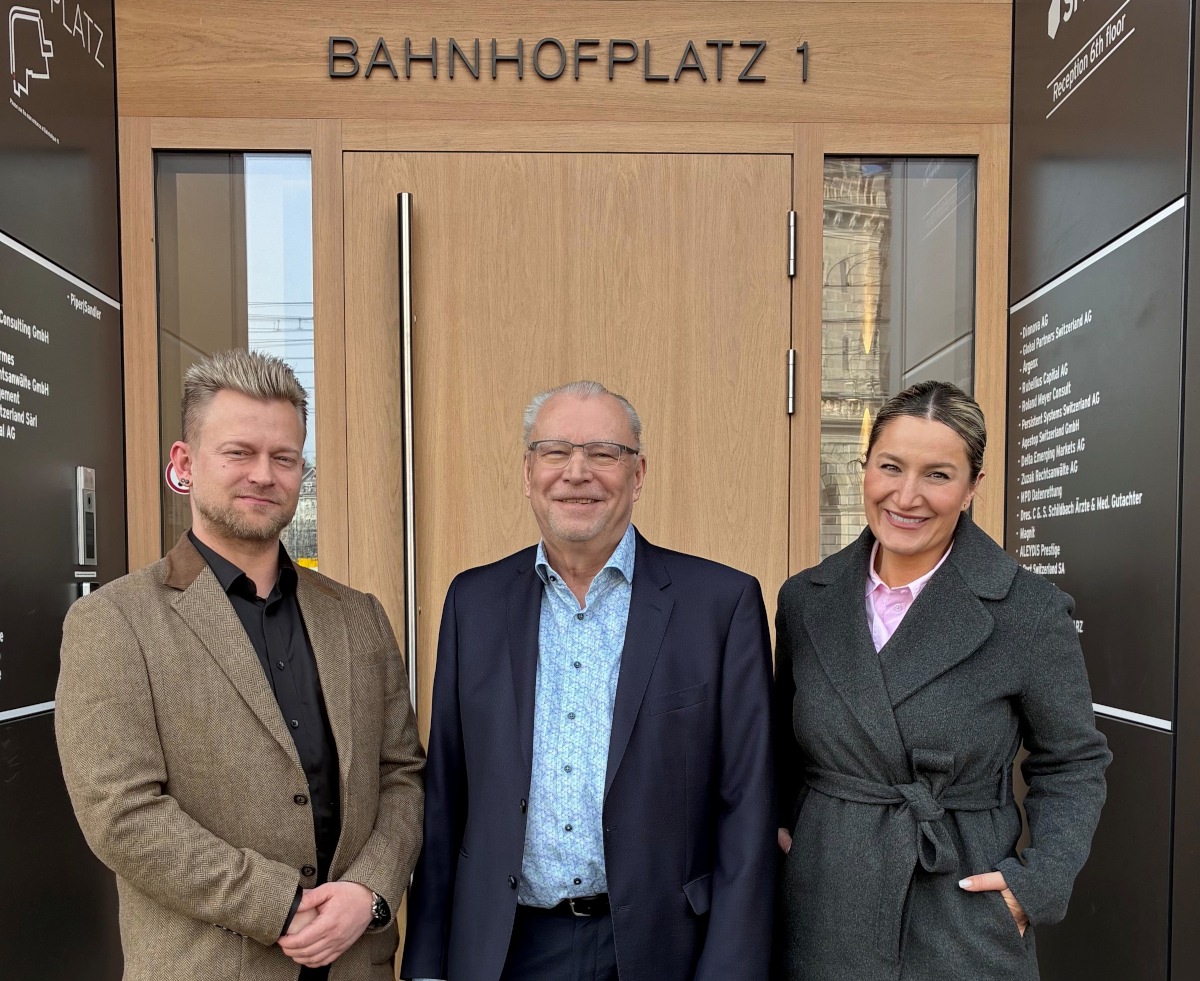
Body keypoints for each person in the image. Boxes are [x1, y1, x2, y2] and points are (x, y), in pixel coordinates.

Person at [56, 349, 425, 981]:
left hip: (354, 963)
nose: (264, 474)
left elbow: (402, 775)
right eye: (239, 452)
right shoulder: (113, 622)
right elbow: (122, 815)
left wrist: (369, 890)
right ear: (184, 463)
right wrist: (279, 906)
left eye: (284, 457)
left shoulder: (358, 616)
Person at [401, 380, 776, 981]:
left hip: (663, 950)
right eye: (554, 451)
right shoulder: (473, 602)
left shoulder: (720, 604)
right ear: (528, 473)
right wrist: (425, 966)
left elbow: (747, 812)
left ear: (638, 474)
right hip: (504, 950)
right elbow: (445, 799)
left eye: (604, 453)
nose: (577, 473)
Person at [773, 380, 1110, 980]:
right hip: (823, 901)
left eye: (938, 474)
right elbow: (781, 740)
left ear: (973, 486)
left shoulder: (1028, 611)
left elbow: (1073, 761)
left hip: (959, 910)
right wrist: (777, 830)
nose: (907, 496)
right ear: (865, 468)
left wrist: (1036, 883)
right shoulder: (806, 600)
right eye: (890, 467)